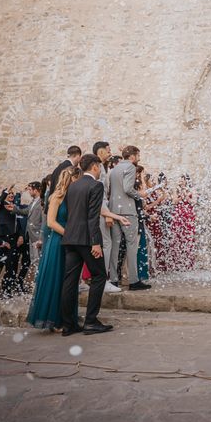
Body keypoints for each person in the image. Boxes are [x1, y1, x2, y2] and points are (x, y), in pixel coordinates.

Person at [60, 154, 113, 336]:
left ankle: (68, 325)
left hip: (69, 237)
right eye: (99, 167)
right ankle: (91, 321)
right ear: (95, 167)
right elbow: (92, 217)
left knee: (70, 280)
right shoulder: (95, 185)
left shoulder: (73, 185)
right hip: (86, 239)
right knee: (99, 276)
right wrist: (96, 243)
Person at [26, 167, 81, 329]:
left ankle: (67, 317)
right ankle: (53, 319)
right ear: (71, 179)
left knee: (68, 280)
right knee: (56, 278)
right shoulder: (56, 197)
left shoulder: (72, 197)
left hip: (69, 239)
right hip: (57, 241)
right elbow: (50, 222)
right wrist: (68, 234)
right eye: (77, 180)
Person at [108, 146, 150, 291]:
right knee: (132, 246)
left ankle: (113, 279)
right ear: (132, 156)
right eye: (138, 155)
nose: (139, 158)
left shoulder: (114, 169)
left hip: (114, 210)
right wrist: (140, 195)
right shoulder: (131, 168)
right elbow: (127, 188)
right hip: (127, 211)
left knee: (115, 245)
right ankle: (133, 280)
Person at [92, 141, 121, 293]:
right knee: (106, 244)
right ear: (101, 151)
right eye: (109, 150)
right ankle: (103, 280)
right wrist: (107, 214)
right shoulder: (98, 169)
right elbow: (98, 195)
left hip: (102, 209)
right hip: (100, 211)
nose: (111, 153)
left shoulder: (103, 167)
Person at [169, 173, 197, 271]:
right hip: (178, 214)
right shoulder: (176, 190)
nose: (180, 181)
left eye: (182, 179)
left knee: (187, 236)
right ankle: (176, 262)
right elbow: (173, 201)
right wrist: (180, 196)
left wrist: (186, 196)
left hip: (188, 215)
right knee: (177, 236)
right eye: (179, 180)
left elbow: (194, 202)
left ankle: (187, 263)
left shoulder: (192, 189)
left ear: (186, 180)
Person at [47, 145, 82, 212]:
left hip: (54, 204)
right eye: (80, 157)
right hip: (61, 206)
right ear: (77, 156)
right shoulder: (69, 169)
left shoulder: (59, 167)